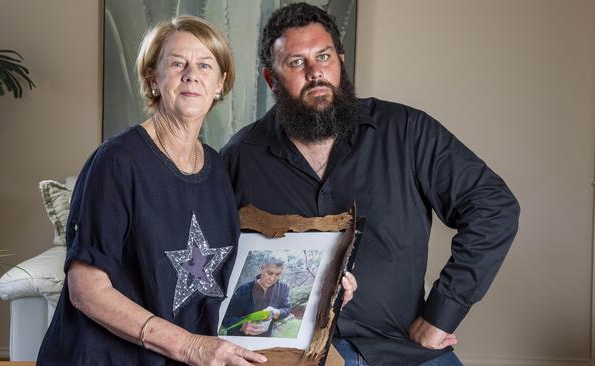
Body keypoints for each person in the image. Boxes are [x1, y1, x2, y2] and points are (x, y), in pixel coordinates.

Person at [221, 3, 520, 366]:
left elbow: (493, 206)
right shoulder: (240, 156)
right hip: (284, 356)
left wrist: (442, 314)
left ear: (341, 61)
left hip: (399, 349)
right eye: (297, 63)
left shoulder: (406, 131)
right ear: (272, 79)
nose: (316, 73)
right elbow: (213, 259)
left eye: (324, 56)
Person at [36, 16, 268, 365]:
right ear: (153, 79)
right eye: (177, 63)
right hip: (108, 357)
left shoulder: (218, 169)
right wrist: (190, 346)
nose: (191, 74)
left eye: (205, 65)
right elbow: (86, 291)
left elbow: (228, 274)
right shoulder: (117, 160)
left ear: (220, 83)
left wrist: (324, 287)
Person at [223, 256, 291, 337]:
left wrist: (275, 312)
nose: (272, 278)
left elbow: (287, 309)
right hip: (239, 338)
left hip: (265, 339)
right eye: (270, 273)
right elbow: (225, 317)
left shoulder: (284, 288)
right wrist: (242, 326)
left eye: (278, 274)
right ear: (262, 269)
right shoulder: (243, 289)